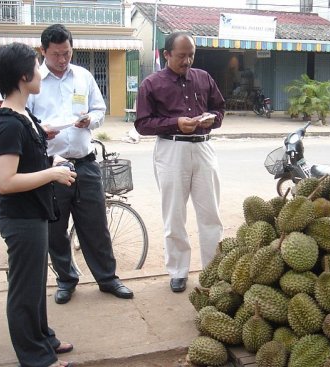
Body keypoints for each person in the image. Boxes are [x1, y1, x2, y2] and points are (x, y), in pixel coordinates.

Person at [27, 24, 133, 304]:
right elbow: (25, 121)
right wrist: (41, 132)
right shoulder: (33, 81)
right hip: (51, 167)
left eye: (67, 53)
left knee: (95, 225)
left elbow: (100, 109)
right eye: (56, 54)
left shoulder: (83, 76)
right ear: (43, 51)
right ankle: (66, 279)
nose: (63, 60)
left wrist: (92, 120)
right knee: (55, 229)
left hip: (85, 164)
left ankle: (108, 278)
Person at [0, 43, 77, 367]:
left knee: (36, 284)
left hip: (34, 213)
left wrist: (52, 161)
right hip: (20, 218)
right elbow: (6, 181)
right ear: (24, 77)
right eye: (37, 68)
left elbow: (28, 159)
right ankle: (35, 361)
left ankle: (43, 340)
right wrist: (52, 174)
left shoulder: (25, 115)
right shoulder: (8, 123)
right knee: (24, 290)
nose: (41, 73)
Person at [134, 31, 225, 293]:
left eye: (191, 55)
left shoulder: (203, 77)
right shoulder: (151, 84)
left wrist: (211, 119)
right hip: (171, 149)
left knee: (211, 214)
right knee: (174, 215)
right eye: (181, 56)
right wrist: (175, 123)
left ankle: (213, 271)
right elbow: (142, 124)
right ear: (166, 55)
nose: (187, 61)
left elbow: (220, 108)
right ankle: (177, 271)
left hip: (204, 148)